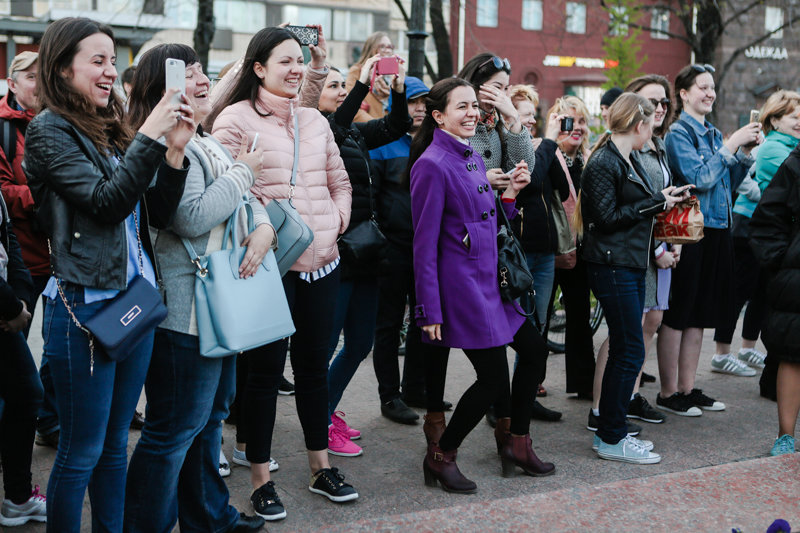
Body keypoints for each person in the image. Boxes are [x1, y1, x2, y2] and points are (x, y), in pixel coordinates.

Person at [23, 17, 193, 531]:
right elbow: (106, 204)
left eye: (112, 61)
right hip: (83, 308)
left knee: (117, 443)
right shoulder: (49, 128)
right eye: (96, 60)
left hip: (132, 301)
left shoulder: (109, 126)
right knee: (82, 452)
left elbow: (156, 214)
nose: (108, 71)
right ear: (61, 67)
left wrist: (177, 149)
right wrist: (147, 136)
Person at [210, 27, 356, 519]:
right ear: (258, 67)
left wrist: (334, 223)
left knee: (315, 369)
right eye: (284, 62)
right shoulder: (234, 118)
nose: (296, 69)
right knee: (266, 375)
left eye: (301, 60)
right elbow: (227, 186)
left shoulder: (315, 119)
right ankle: (260, 477)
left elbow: (340, 180)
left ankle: (320, 466)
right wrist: (259, 227)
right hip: (269, 267)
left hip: (323, 263)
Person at [123, 43, 268, 532]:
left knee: (205, 423)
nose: (203, 79)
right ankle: (148, 523)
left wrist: (263, 224)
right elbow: (191, 217)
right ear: (161, 88)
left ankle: (209, 517)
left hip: (215, 304)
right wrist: (246, 171)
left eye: (202, 70)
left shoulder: (202, 138)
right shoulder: (167, 141)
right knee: (173, 430)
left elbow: (239, 206)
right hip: (185, 310)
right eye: (188, 73)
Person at [410, 77, 554, 494]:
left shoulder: (469, 155)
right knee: (492, 380)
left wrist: (509, 192)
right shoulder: (432, 164)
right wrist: (428, 310)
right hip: (464, 288)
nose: (472, 113)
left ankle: (518, 444)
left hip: (494, 281)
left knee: (534, 350)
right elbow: (424, 246)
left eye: (474, 105)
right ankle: (442, 455)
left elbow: (484, 217)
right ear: (438, 116)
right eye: (462, 107)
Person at [580, 92, 690, 463]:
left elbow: (629, 209)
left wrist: (664, 199)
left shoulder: (626, 158)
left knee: (627, 350)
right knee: (629, 350)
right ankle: (611, 435)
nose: (654, 128)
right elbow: (606, 218)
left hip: (626, 263)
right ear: (639, 124)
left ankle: (610, 432)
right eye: (651, 122)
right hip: (612, 264)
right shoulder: (604, 161)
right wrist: (656, 202)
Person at [657, 64, 761, 417]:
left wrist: (743, 154)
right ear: (683, 93)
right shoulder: (678, 134)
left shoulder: (714, 133)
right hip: (689, 233)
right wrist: (731, 145)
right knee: (679, 311)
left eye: (712, 88)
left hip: (717, 228)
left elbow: (726, 185)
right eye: (702, 87)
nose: (710, 93)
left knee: (700, 313)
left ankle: (688, 387)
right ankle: (669, 391)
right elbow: (699, 178)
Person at [318, 58, 411, 455]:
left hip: (368, 254)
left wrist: (400, 90)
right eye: (334, 85)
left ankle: (326, 407)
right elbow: (334, 126)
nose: (342, 91)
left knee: (358, 344)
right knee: (323, 347)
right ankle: (318, 420)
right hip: (336, 254)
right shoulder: (314, 129)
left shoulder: (356, 133)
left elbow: (395, 127)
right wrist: (359, 85)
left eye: (346, 85)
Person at [715, 90, 800, 392]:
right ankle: (721, 352)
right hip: (750, 227)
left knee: (764, 294)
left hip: (767, 230)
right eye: (794, 117)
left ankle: (748, 346)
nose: (799, 121)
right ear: (774, 120)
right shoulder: (777, 148)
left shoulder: (789, 145)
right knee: (739, 291)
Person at [0, 51, 62, 449]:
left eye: (46, 76)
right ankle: (14, 425)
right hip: (21, 259)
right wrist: (44, 199)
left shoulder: (57, 124)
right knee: (15, 347)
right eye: (31, 76)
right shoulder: (4, 130)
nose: (39, 83)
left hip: (60, 257)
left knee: (57, 346)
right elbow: (3, 191)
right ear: (12, 83)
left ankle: (47, 418)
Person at [370, 76, 437, 425]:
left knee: (421, 320)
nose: (419, 109)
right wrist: (382, 240)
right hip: (391, 247)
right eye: (412, 102)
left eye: (425, 103)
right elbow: (372, 200)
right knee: (389, 323)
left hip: (425, 248)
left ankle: (415, 387)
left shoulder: (432, 144)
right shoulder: (381, 145)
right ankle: (389, 396)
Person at [508, 84, 569, 422]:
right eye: (523, 116)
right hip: (518, 252)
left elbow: (559, 184)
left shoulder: (542, 148)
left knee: (539, 325)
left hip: (546, 252)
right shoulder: (507, 148)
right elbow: (530, 181)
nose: (529, 122)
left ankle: (526, 397)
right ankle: (503, 402)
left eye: (533, 115)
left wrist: (556, 146)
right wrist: (546, 142)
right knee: (519, 329)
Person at [749, 141, 800, 456]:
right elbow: (767, 218)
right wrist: (784, 261)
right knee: (793, 353)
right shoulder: (795, 163)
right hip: (796, 276)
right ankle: (786, 436)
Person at [0, 186, 45, 527]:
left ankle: (18, 498)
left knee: (26, 393)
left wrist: (19, 296)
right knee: (26, 392)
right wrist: (12, 305)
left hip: (7, 308)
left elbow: (7, 237)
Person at [546, 95, 596, 399]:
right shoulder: (546, 154)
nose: (575, 127)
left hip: (581, 249)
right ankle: (531, 381)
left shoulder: (589, 159)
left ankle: (583, 383)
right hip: (551, 249)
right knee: (540, 318)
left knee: (580, 316)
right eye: (568, 121)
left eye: (580, 121)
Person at [346, 31, 396, 123]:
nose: (387, 50)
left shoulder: (394, 77)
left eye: (390, 47)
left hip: (391, 133)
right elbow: (349, 104)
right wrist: (377, 126)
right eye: (382, 46)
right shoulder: (357, 71)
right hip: (368, 130)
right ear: (371, 49)